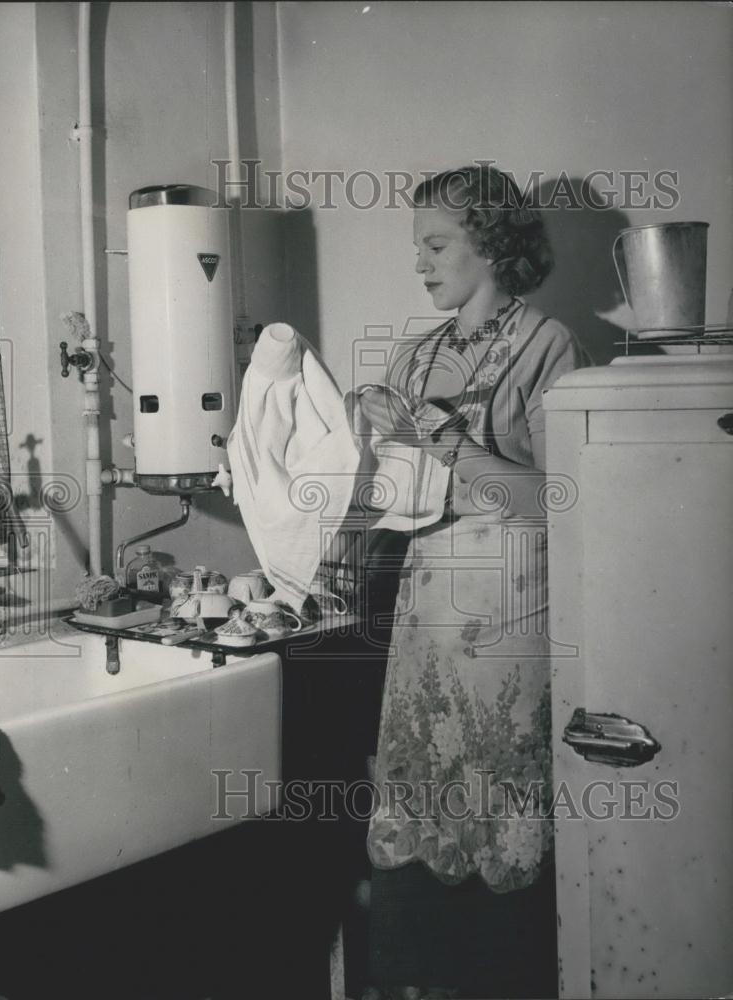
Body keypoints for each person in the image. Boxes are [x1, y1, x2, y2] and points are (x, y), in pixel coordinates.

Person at [355, 163, 588, 1000]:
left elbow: (562, 500)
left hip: (512, 610)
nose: (420, 261)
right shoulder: (414, 356)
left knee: (502, 804)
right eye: (417, 244)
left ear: (490, 241)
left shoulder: (547, 345)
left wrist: (449, 444)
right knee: (421, 802)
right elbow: (387, 493)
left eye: (437, 242)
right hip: (424, 613)